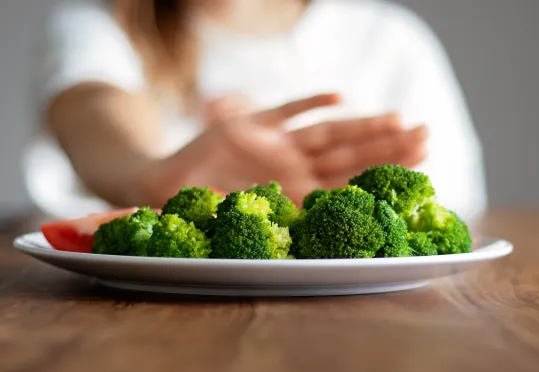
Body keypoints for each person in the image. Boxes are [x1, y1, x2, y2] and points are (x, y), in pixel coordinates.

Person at [23, 0, 487, 221]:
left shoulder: (390, 38)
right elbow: (91, 106)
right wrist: (150, 175)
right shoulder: (101, 22)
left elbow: (456, 209)